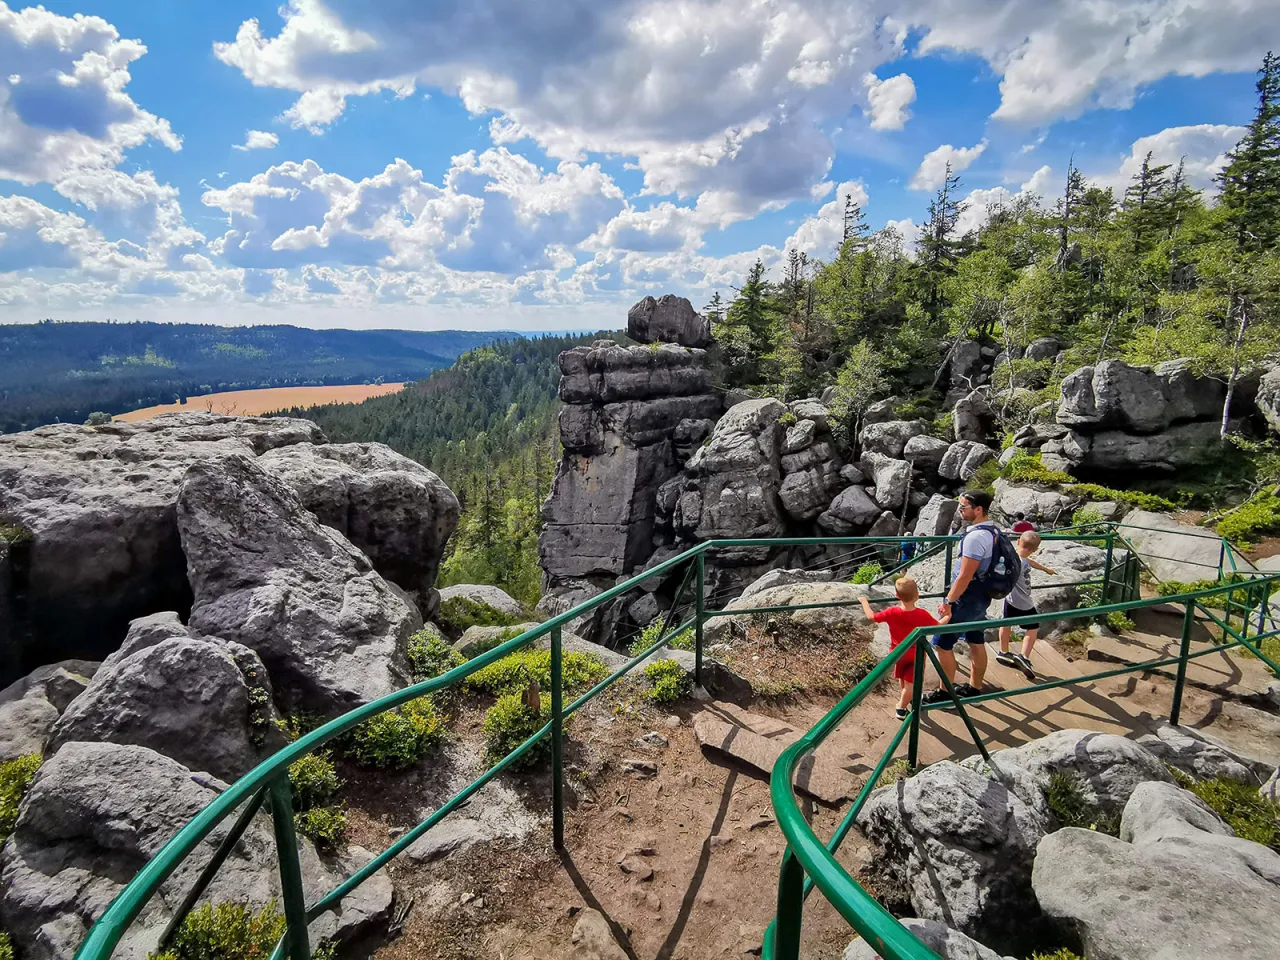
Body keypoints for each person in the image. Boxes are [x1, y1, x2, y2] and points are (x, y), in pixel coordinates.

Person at [927, 489, 1002, 702]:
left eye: (963, 507)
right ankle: (974, 687)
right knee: (975, 639)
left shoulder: (975, 537)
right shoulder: (993, 531)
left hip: (966, 598)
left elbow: (964, 575)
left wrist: (949, 602)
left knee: (941, 643)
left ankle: (945, 694)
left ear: (978, 510)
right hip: (981, 597)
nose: (959, 510)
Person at [860, 577, 948, 720]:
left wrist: (864, 601)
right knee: (911, 683)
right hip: (915, 654)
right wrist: (947, 616)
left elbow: (871, 617)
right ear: (917, 595)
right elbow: (937, 626)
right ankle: (901, 707)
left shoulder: (892, 612)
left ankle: (908, 697)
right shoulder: (922, 614)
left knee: (904, 679)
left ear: (897, 596)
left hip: (898, 652)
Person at [996, 531, 1056, 679]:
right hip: (1023, 602)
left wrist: (1045, 569)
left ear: (1018, 541)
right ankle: (1024, 656)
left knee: (1006, 622)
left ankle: (1003, 652)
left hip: (1010, 599)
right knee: (1033, 628)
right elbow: (1025, 563)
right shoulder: (1021, 563)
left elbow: (1029, 562)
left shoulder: (1013, 558)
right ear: (1034, 550)